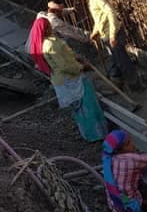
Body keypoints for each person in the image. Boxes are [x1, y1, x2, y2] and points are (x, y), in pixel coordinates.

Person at [28, 13, 107, 142]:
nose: (51, 28)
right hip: (71, 79)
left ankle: (89, 135)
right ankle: (97, 134)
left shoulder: (46, 42)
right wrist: (81, 67)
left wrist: (76, 58)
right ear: (45, 28)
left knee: (79, 110)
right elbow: (64, 65)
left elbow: (65, 56)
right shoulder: (50, 45)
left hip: (63, 81)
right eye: (49, 26)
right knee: (87, 105)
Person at [67, 0, 138, 87]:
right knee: (116, 58)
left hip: (112, 34)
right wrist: (95, 32)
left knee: (122, 61)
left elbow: (110, 13)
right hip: (106, 34)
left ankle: (135, 84)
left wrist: (113, 35)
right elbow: (100, 18)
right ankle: (117, 78)